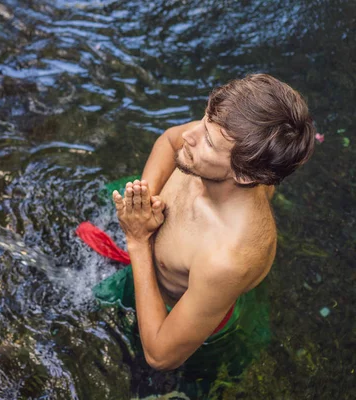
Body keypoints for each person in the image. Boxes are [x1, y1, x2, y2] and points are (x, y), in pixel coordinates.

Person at [111, 74, 315, 370]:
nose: (190, 135)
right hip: (146, 248)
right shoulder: (232, 136)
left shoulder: (226, 258)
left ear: (245, 176)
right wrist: (144, 199)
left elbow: (159, 355)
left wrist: (138, 239)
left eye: (207, 140)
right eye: (205, 120)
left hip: (175, 309)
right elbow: (170, 140)